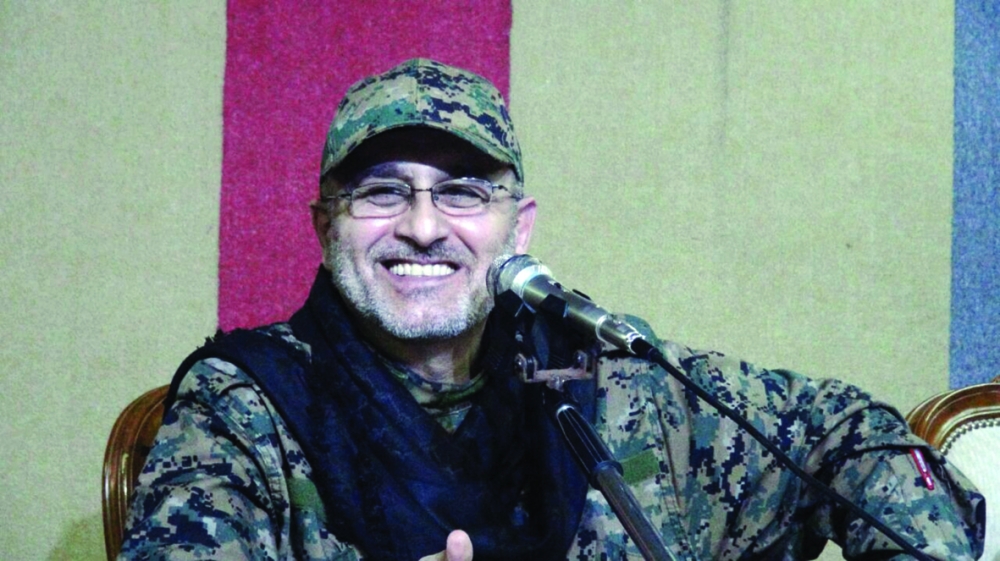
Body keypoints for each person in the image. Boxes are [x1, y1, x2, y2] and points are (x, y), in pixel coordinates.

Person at [119, 58, 984, 561]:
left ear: (518, 227)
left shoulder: (610, 379)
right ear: (325, 225)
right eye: (381, 192)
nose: (422, 226)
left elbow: (852, 436)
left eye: (463, 192)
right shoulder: (244, 408)